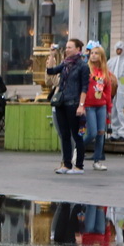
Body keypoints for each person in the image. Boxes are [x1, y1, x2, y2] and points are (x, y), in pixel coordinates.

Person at [47, 38, 88, 175]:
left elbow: (84, 87)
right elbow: (51, 71)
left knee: (77, 135)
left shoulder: (83, 66)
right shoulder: (65, 64)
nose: (67, 49)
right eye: (66, 47)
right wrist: (52, 55)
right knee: (64, 134)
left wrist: (81, 106)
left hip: (74, 103)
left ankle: (79, 166)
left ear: (78, 49)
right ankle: (66, 163)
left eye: (70, 47)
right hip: (62, 102)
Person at [81, 44, 116, 171]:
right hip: (89, 105)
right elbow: (83, 88)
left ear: (101, 56)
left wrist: (109, 108)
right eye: (92, 53)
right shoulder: (86, 69)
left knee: (101, 133)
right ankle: (78, 149)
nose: (93, 55)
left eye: (96, 53)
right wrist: (82, 105)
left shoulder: (106, 73)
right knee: (92, 133)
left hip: (101, 106)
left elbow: (108, 90)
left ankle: (97, 160)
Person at [109, 41, 124, 140]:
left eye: (120, 49)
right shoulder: (111, 61)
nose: (118, 51)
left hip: (123, 89)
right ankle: (115, 132)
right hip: (113, 89)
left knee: (123, 110)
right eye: (117, 49)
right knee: (114, 110)